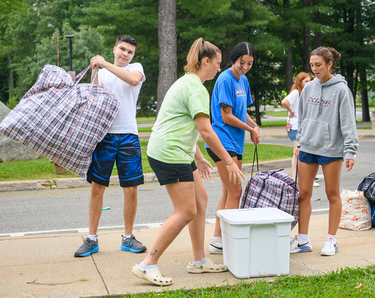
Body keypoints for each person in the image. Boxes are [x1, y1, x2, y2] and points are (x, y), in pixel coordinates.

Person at [131, 38, 243, 286]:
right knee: (186, 210)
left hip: (177, 150)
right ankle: (147, 264)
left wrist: (200, 158)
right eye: (217, 63)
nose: (218, 68)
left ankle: (199, 260)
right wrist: (228, 161)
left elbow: (182, 125)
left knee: (201, 200)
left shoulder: (189, 83)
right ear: (206, 61)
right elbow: (206, 131)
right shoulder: (196, 89)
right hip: (170, 153)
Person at [74, 35, 147, 257]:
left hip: (128, 136)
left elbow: (133, 81)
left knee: (131, 188)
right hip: (104, 137)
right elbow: (94, 101)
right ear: (114, 48)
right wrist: (96, 71)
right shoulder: (102, 73)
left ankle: (128, 238)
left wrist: (104, 63)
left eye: (130, 51)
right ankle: (92, 239)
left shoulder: (136, 68)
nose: (125, 54)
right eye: (122, 49)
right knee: (97, 187)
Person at [290, 46, 358, 257]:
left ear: (330, 64)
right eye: (312, 65)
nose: (314, 69)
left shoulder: (341, 90)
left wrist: (350, 151)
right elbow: (302, 117)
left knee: (332, 194)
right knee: (303, 194)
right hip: (308, 146)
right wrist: (300, 142)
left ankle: (331, 240)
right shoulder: (309, 88)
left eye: (318, 65)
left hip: (331, 149)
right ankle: (303, 240)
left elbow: (348, 122)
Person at [205, 42, 260, 255]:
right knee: (236, 190)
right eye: (241, 62)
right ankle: (229, 241)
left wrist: (253, 126)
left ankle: (218, 240)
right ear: (233, 59)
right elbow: (227, 116)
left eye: (249, 63)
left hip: (235, 142)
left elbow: (240, 111)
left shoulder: (243, 80)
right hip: (221, 140)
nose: (245, 67)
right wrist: (250, 129)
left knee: (229, 191)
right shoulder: (225, 79)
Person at [281, 72, 313, 178]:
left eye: (310, 81)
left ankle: (301, 175)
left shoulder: (304, 93)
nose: (309, 83)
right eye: (306, 81)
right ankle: (295, 177)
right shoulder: (295, 92)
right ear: (300, 82)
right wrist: (291, 111)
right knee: (297, 152)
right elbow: (284, 101)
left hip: (300, 127)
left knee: (301, 151)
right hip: (294, 128)